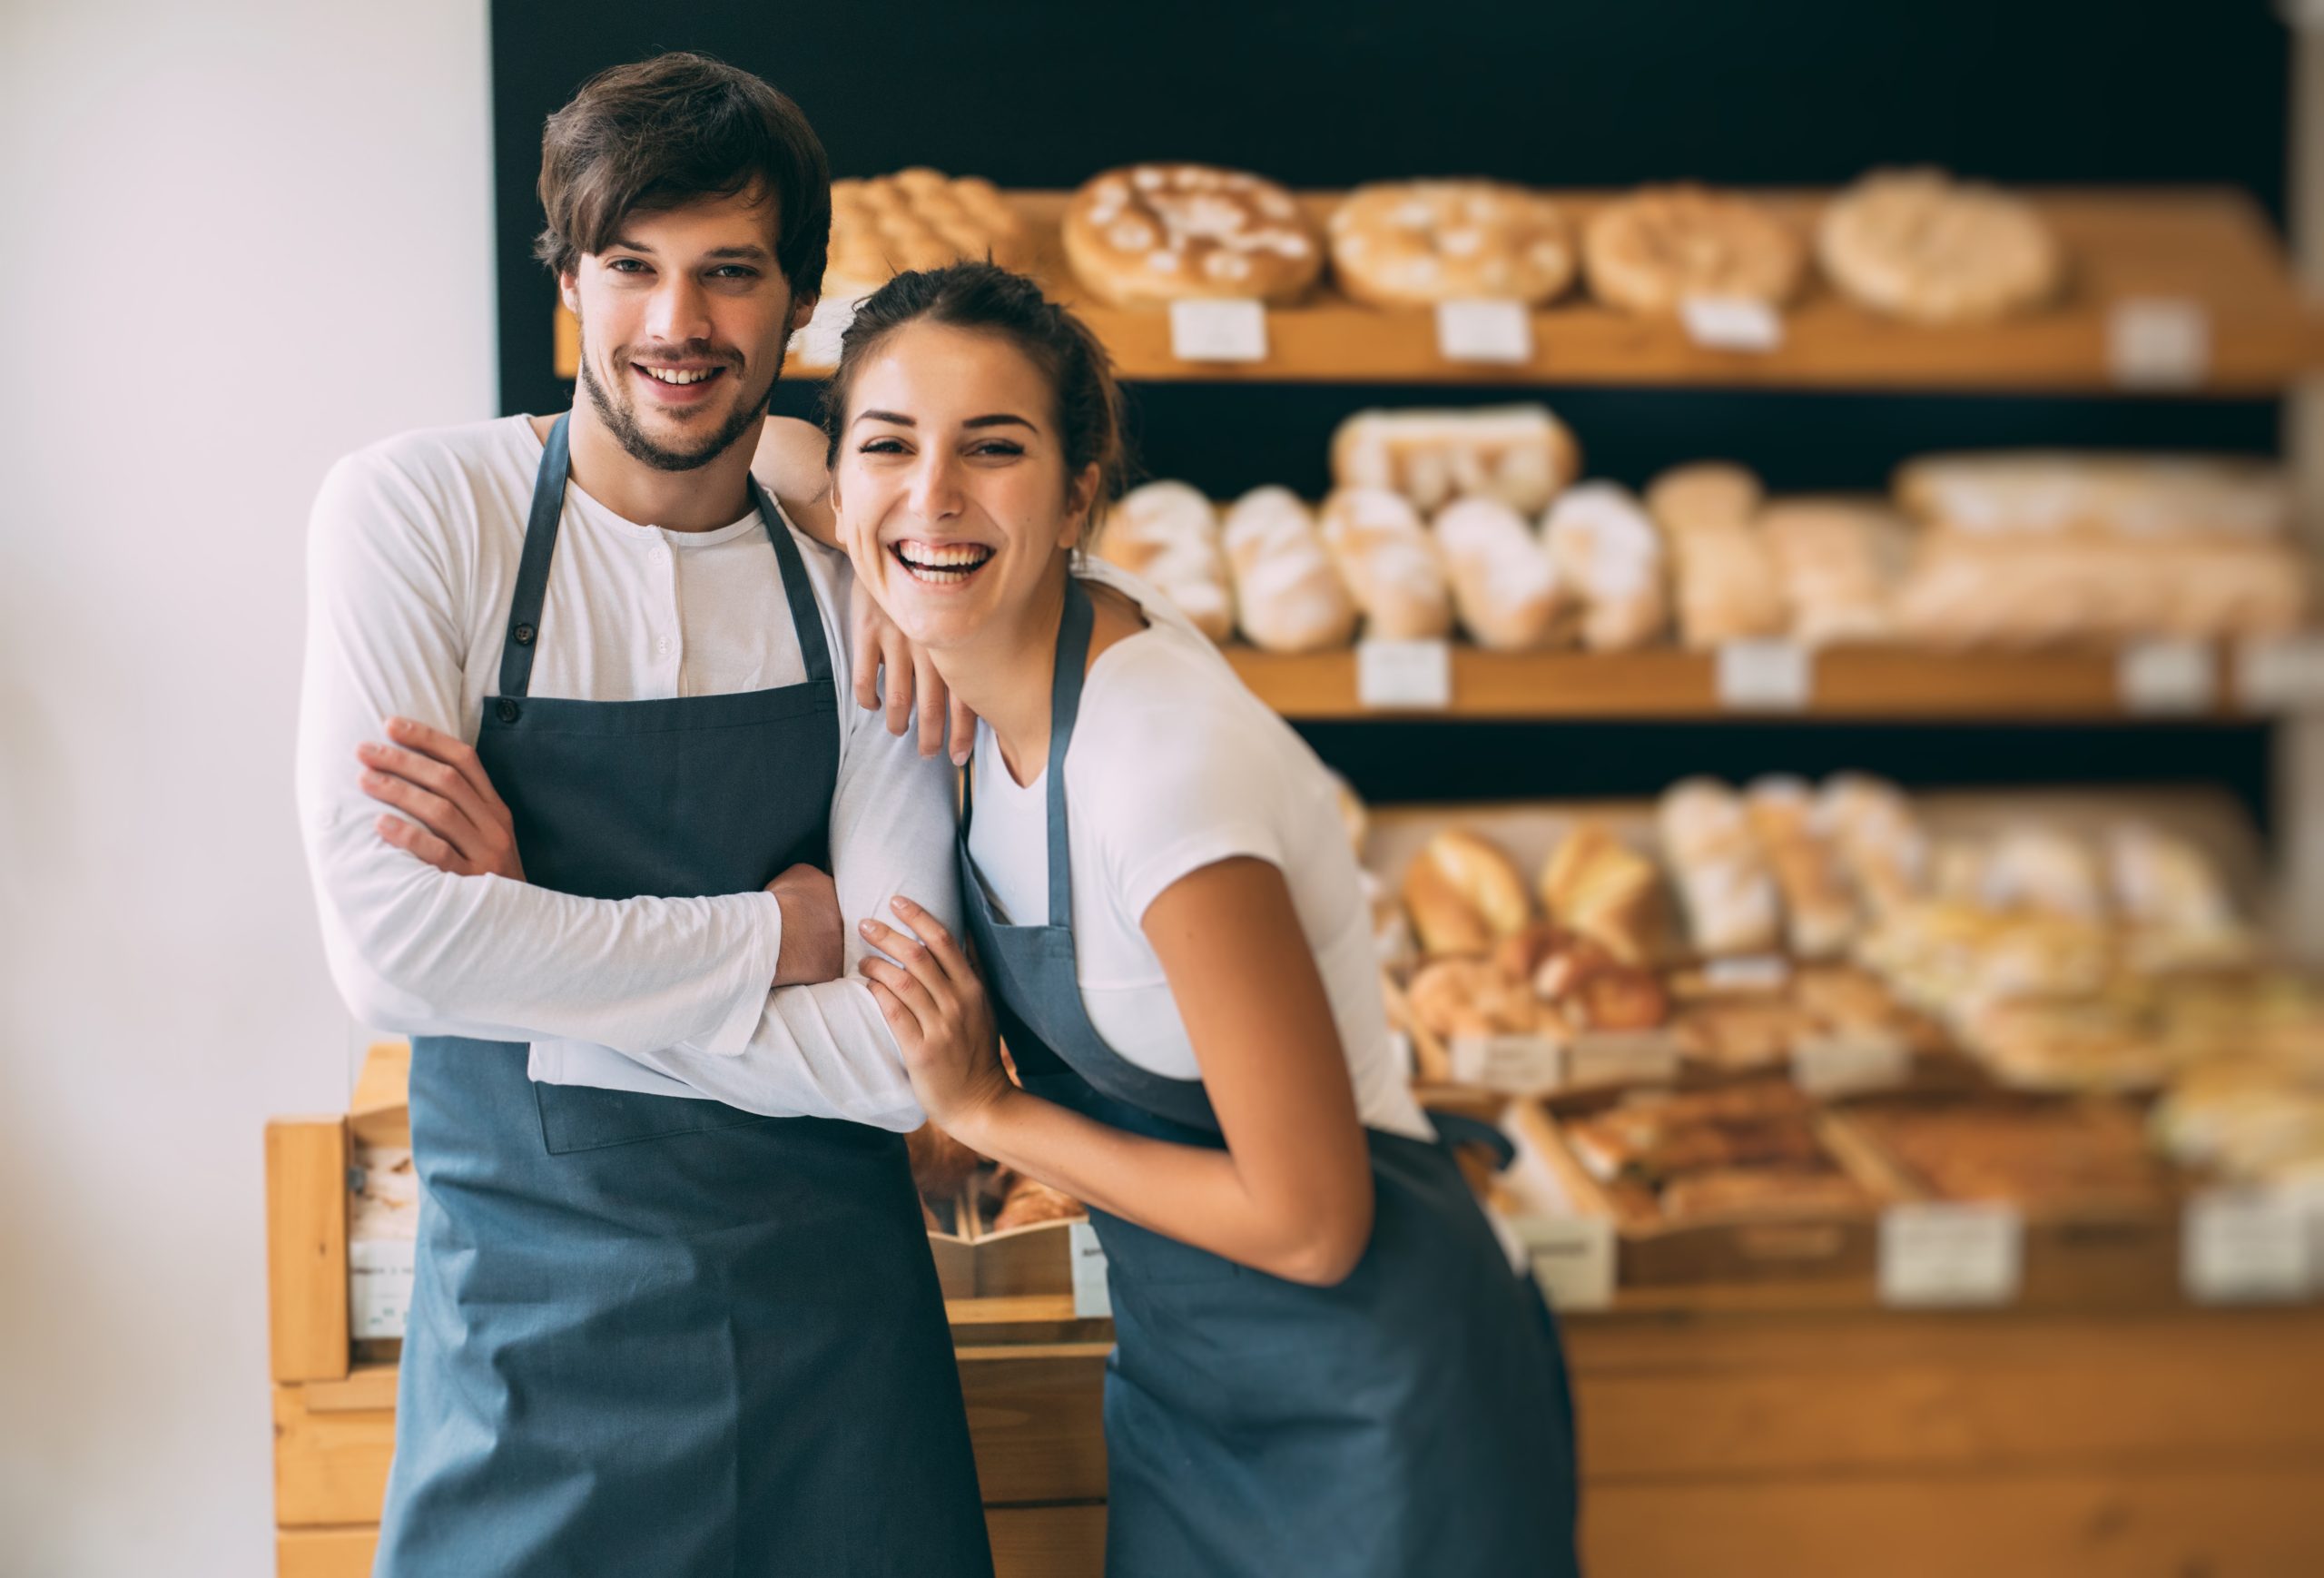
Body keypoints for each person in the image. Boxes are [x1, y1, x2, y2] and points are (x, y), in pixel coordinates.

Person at [294, 54, 991, 1576]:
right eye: (633, 269)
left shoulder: (855, 593)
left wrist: (530, 946)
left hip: (840, 1364)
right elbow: (398, 955)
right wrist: (776, 932)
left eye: (730, 273)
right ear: (570, 280)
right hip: (535, 1362)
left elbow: (890, 1059)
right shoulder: (424, 514)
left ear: (799, 303)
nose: (678, 326)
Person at [783, 260, 1583, 1577]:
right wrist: (869, 536)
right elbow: (762, 448)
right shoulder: (989, 675)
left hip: (1381, 1392)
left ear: (1078, 488)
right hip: (1188, 1385)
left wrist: (990, 1112)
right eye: (890, 447)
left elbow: (1314, 1221)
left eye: (995, 449)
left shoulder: (1156, 765)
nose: (933, 494)